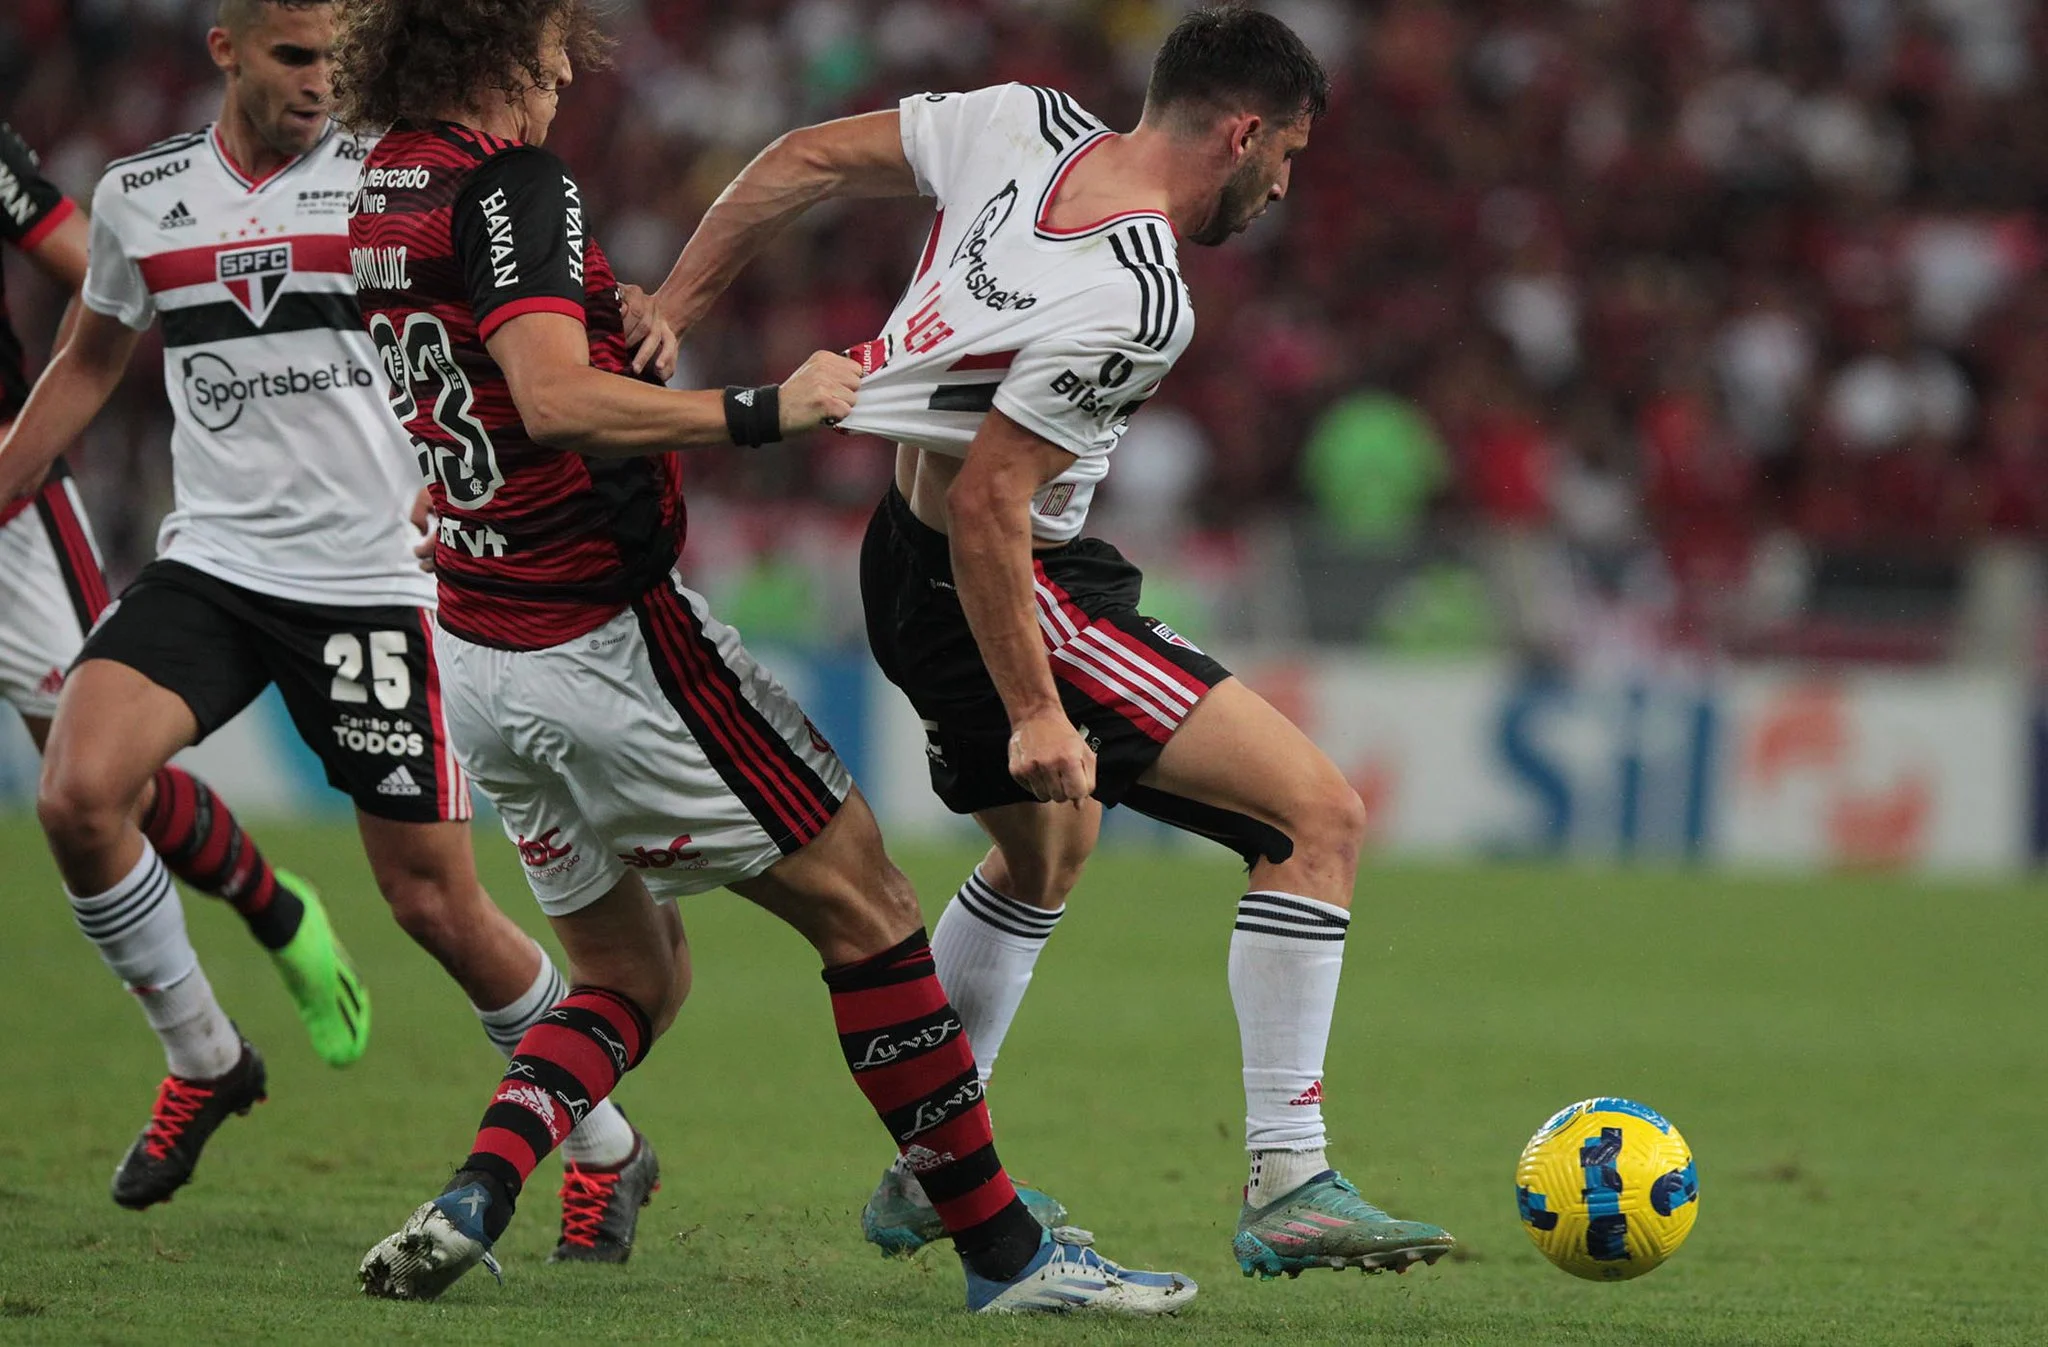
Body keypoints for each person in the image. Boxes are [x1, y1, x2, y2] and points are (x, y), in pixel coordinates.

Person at [338, 0, 1190, 1314]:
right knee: (875, 912)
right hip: (608, 639)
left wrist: (620, 322)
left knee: (631, 975)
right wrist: (763, 407)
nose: (564, 79)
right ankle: (1009, 1254)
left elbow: (481, 375)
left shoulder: (384, 191)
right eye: (555, 50)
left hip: (480, 644)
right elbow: (555, 400)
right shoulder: (512, 184)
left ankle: (478, 1189)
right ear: (499, 46)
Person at [646, 4, 1458, 1279]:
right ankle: (1288, 1179)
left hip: (903, 558)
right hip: (1010, 577)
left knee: (1044, 850)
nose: (1280, 187)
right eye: (1285, 158)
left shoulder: (1018, 122)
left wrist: (673, 307)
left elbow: (800, 157)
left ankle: (933, 1166)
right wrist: (1035, 706)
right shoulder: (1141, 292)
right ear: (1238, 133)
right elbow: (991, 506)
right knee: (1317, 820)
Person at [0, 0, 660, 1265]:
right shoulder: (143, 194)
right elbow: (89, 360)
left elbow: (532, 313)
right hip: (215, 562)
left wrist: (631, 318)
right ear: (227, 50)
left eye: (336, 65)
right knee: (79, 794)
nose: (320, 87)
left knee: (434, 906)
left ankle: (606, 1145)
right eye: (297, 60)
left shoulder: (396, 179)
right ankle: (204, 1053)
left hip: (377, 582)